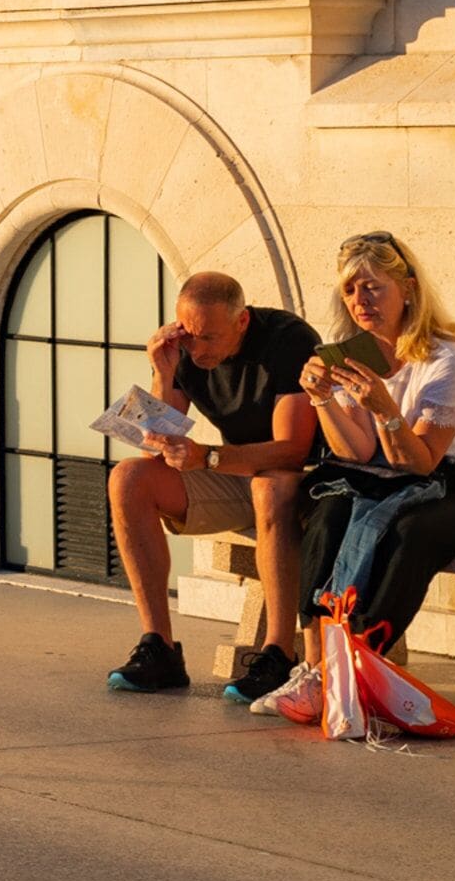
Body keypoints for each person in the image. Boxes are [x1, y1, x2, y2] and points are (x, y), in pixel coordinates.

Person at [99, 273, 323, 699]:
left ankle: (278, 653)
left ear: (242, 321)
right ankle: (159, 647)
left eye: (209, 338)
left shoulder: (289, 340)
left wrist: (210, 457)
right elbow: (151, 448)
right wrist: (162, 371)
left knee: (270, 488)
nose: (198, 350)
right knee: (128, 478)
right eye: (189, 337)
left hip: (303, 482)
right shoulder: (184, 349)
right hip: (235, 473)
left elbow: (292, 451)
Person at [284, 231, 455, 662]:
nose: (360, 299)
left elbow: (420, 462)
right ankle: (313, 666)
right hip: (386, 483)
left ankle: (361, 658)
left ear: (408, 289)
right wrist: (322, 398)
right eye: (350, 289)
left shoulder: (446, 362)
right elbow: (358, 453)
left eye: (373, 287)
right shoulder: (354, 354)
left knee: (407, 532)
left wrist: (384, 407)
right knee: (328, 515)